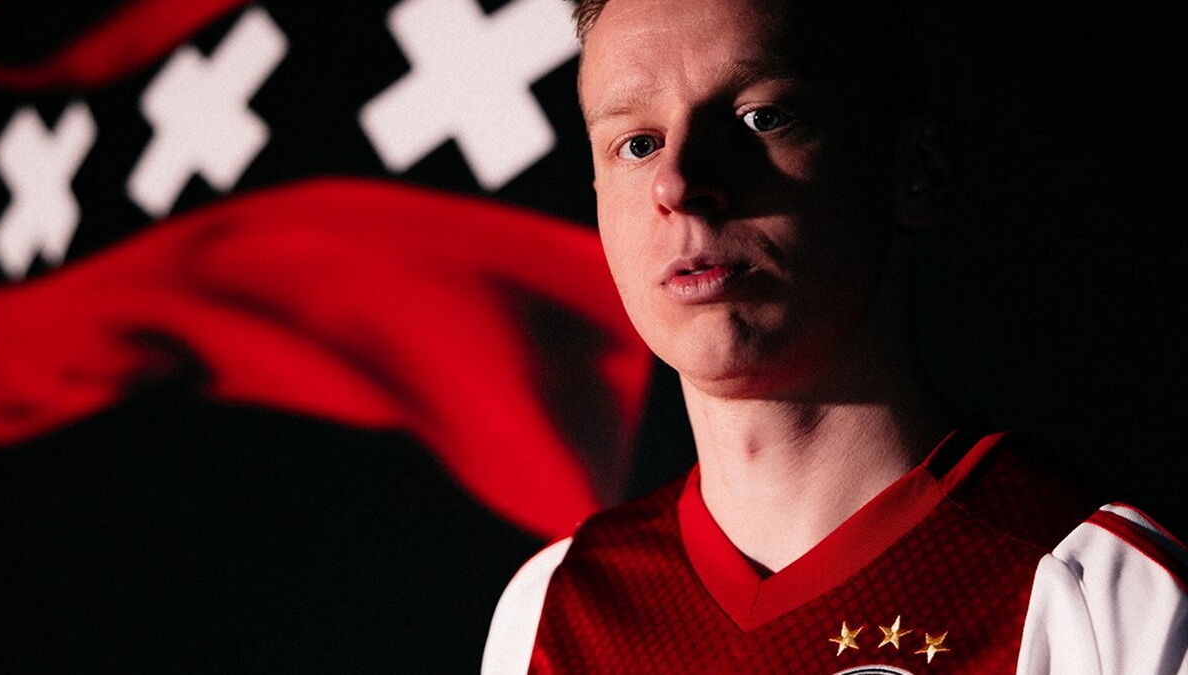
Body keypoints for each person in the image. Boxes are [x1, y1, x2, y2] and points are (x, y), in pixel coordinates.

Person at [482, 0, 1188, 673]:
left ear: (914, 168)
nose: (679, 181)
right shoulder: (551, 614)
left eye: (761, 118)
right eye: (638, 144)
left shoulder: (1098, 596)